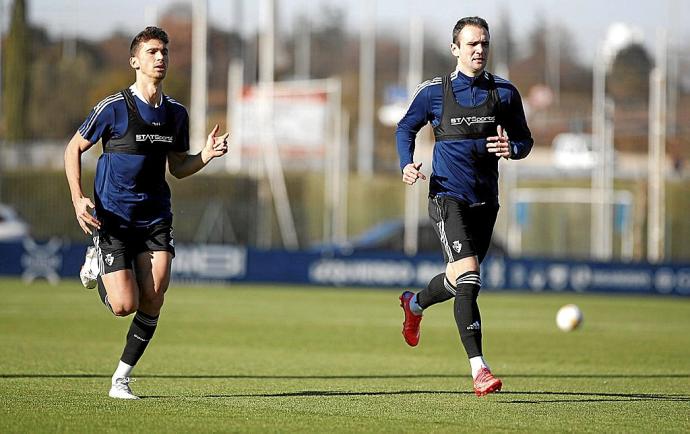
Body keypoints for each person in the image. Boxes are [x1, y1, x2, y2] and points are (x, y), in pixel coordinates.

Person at [64, 26, 229, 399]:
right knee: (125, 305)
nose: (160, 58)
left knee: (155, 293)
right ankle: (98, 262)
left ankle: (120, 378)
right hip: (114, 218)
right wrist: (78, 199)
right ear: (134, 61)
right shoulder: (113, 107)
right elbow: (73, 148)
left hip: (155, 215)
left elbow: (178, 167)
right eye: (153, 52)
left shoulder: (176, 114)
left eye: (165, 52)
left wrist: (205, 155)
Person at [395, 16, 532, 397]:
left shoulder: (504, 93)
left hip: (486, 203)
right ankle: (480, 370)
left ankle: (416, 304)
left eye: (484, 44)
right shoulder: (433, 92)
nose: (479, 50)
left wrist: (513, 150)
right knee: (470, 277)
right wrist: (406, 163)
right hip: (446, 197)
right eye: (472, 44)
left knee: (459, 282)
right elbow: (405, 128)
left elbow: (524, 140)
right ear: (455, 48)